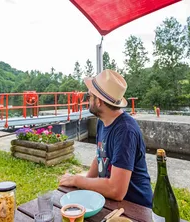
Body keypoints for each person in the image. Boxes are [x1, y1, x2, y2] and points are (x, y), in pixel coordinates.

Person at [59, 69, 153, 208]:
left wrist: (77, 180)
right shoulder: (103, 121)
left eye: (89, 96)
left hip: (135, 208)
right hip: (110, 202)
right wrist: (85, 180)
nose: (87, 99)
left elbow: (116, 190)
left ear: (98, 102)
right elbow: (100, 157)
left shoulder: (125, 131)